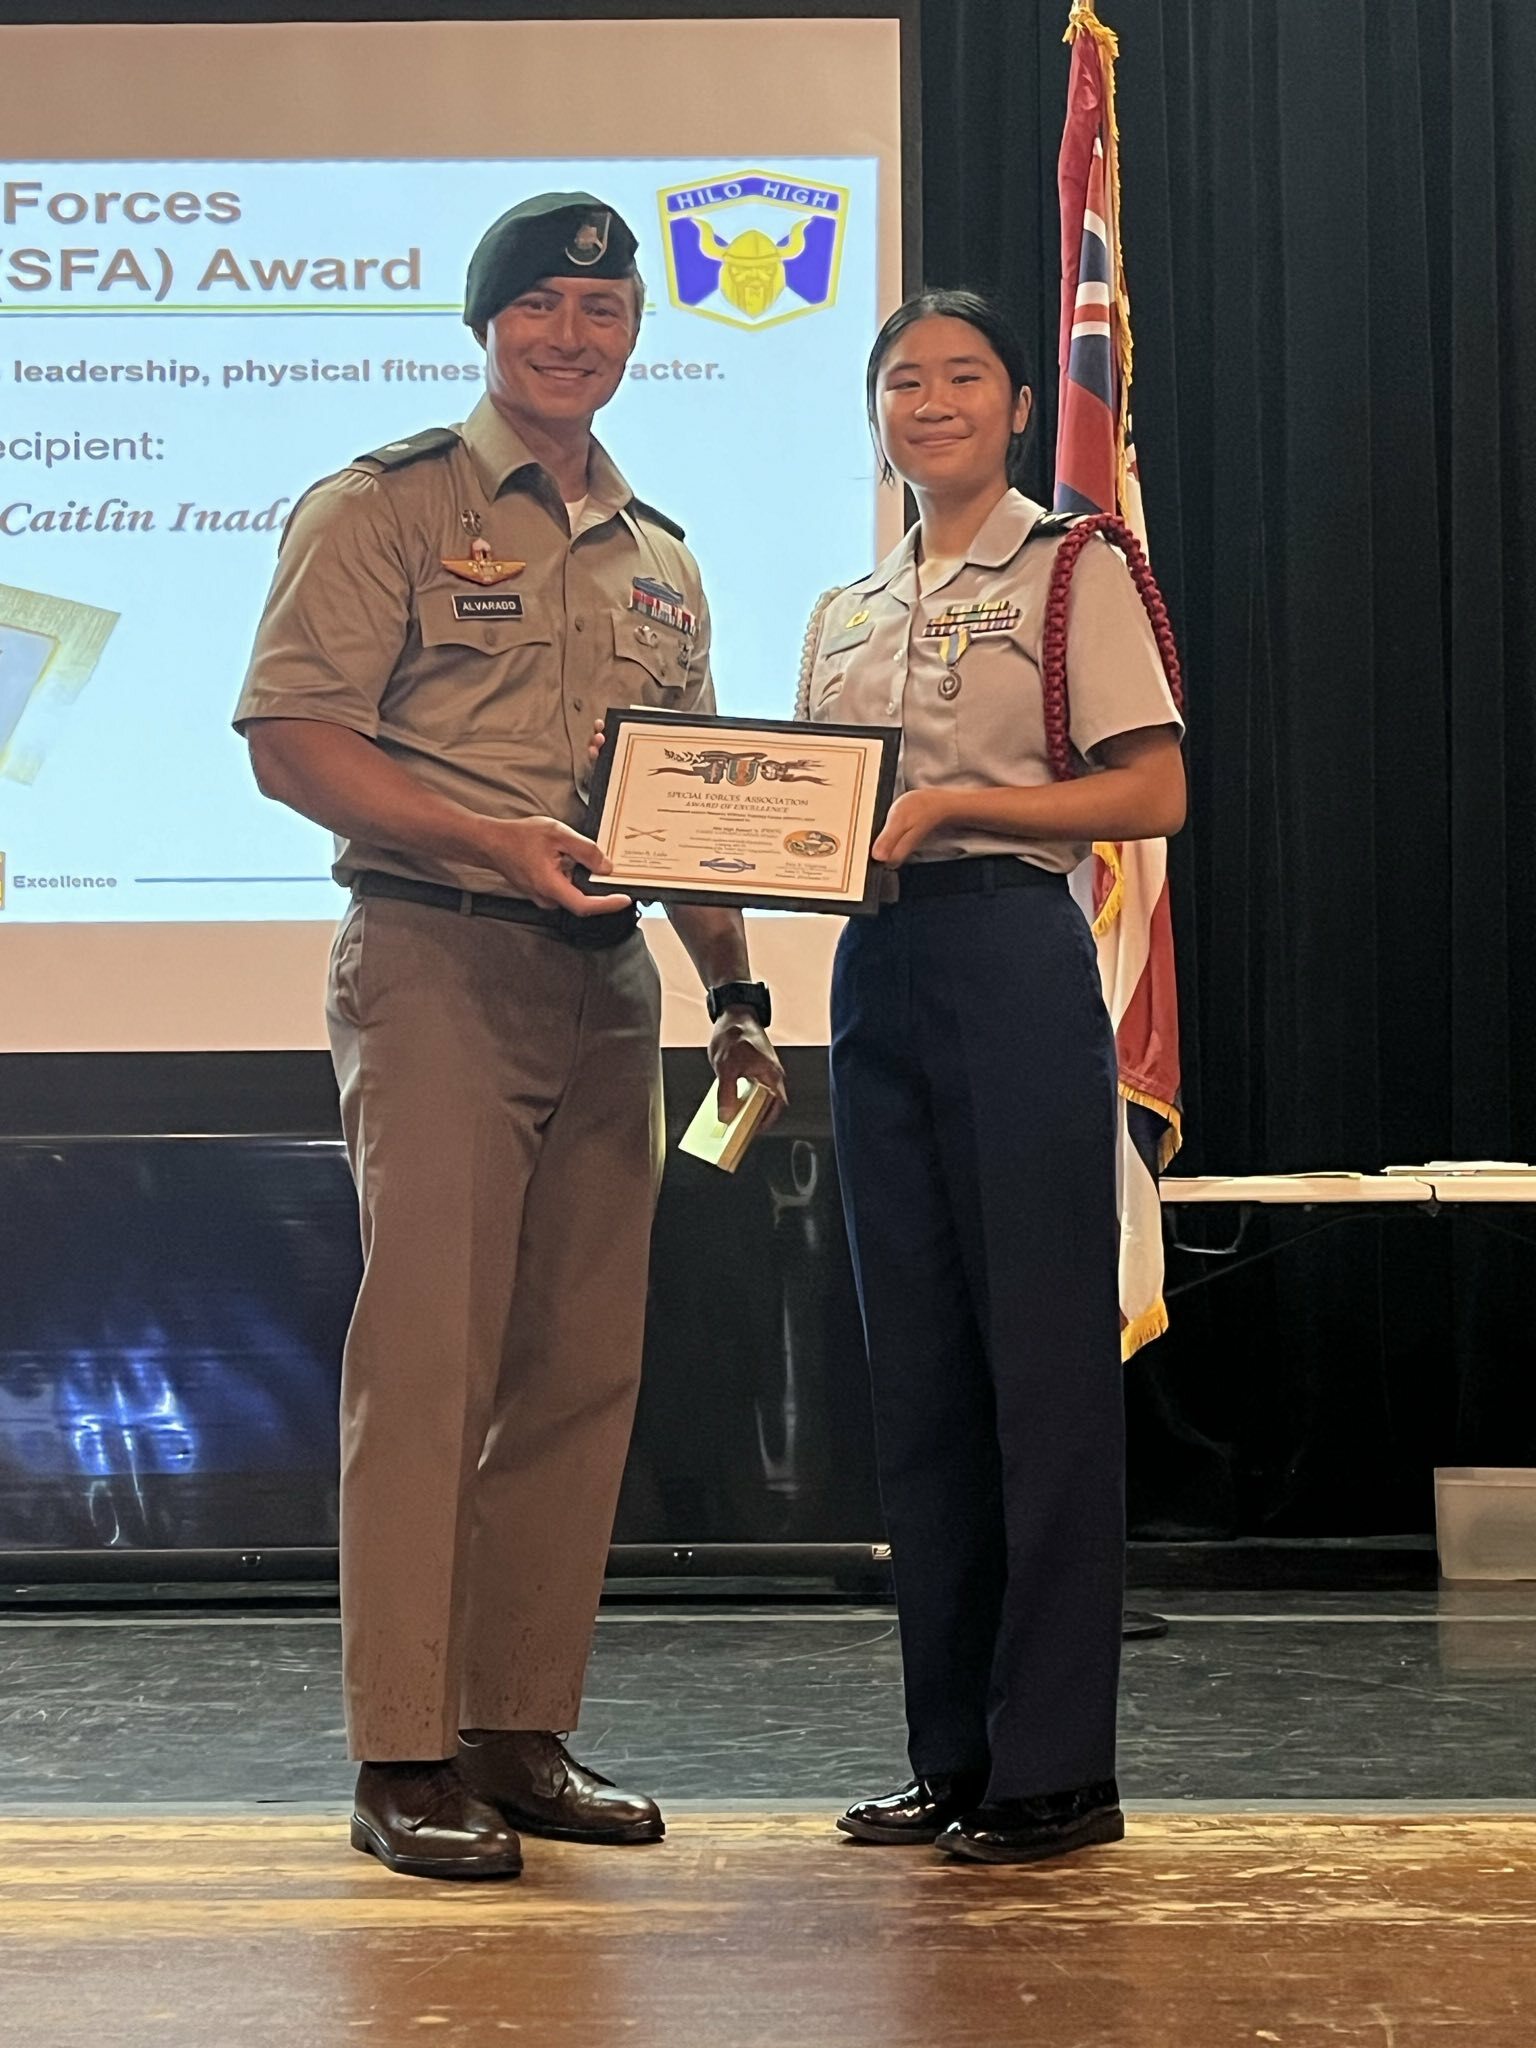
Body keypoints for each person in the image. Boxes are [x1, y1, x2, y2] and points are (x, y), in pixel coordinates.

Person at [234, 192, 785, 1881]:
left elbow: (691, 809)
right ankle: (401, 1751)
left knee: (575, 1370)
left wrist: (735, 992)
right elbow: (292, 740)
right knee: (430, 1366)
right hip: (438, 960)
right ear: (488, 327)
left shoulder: (663, 559)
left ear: (632, 341)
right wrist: (490, 840)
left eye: (603, 313)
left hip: (608, 989)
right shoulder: (383, 504)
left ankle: (516, 1728)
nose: (571, 335)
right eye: (540, 304)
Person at [799, 289, 1185, 1864]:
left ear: (1022, 407)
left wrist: (965, 809)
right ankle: (951, 1756)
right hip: (876, 967)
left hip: (1012, 959)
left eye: (965, 376)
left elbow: (1152, 791)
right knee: (922, 1385)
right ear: (876, 410)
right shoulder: (844, 607)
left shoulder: (1075, 568)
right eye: (904, 379)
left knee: (1043, 1374)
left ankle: (1059, 1769)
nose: (933, 401)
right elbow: (812, 810)